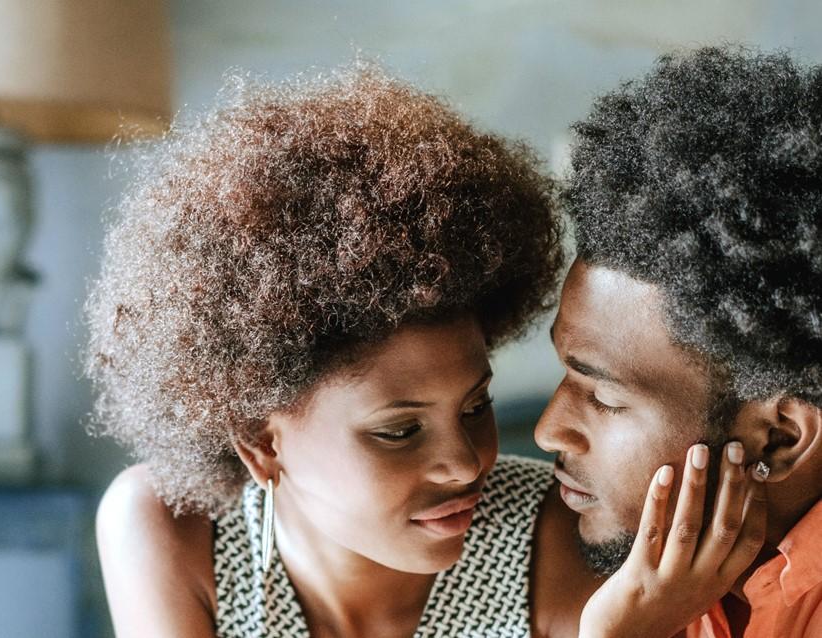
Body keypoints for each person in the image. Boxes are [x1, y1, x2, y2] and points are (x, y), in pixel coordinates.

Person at [85, 64, 568, 637]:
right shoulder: (169, 528)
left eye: (474, 407)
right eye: (400, 430)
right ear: (261, 443)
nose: (465, 464)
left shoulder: (556, 537)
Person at [541, 45, 822, 637]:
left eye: (606, 398)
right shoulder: (649, 574)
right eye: (567, 377)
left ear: (779, 437)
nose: (547, 430)